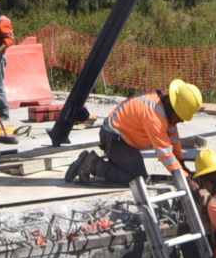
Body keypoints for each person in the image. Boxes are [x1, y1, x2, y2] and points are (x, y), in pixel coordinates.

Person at [66, 79, 203, 185]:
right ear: (174, 108)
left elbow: (173, 138)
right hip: (113, 138)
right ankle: (92, 164)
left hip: (122, 139)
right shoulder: (155, 116)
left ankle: (111, 165)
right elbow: (165, 153)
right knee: (136, 179)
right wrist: (185, 178)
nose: (182, 121)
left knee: (136, 174)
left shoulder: (166, 109)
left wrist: (182, 165)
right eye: (180, 117)